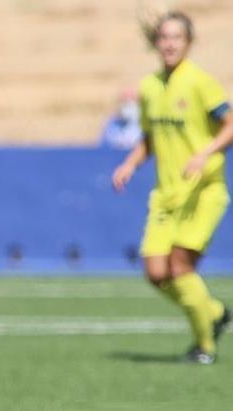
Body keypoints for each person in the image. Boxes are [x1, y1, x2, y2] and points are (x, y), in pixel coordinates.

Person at [112, 11, 233, 364]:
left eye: (176, 38)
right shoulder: (149, 87)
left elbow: (229, 125)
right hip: (166, 195)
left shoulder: (199, 82)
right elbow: (150, 137)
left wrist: (205, 153)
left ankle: (204, 346)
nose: (169, 44)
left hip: (202, 192)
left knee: (180, 267)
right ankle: (212, 311)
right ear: (156, 42)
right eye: (164, 37)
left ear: (188, 43)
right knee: (156, 273)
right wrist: (130, 164)